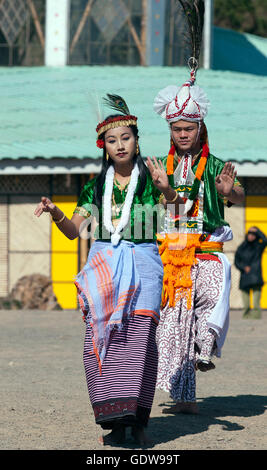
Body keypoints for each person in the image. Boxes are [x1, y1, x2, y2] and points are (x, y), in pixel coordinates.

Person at [34, 94, 180, 447]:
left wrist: (166, 189)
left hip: (144, 263)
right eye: (112, 141)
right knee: (101, 339)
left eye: (126, 138)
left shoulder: (152, 178)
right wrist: (55, 211)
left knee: (141, 340)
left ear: (137, 139)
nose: (120, 145)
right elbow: (73, 231)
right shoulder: (95, 186)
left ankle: (139, 418)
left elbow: (172, 205)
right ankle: (114, 419)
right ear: (105, 146)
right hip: (105, 264)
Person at [151, 61, 245, 414]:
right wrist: (159, 190)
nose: (182, 135)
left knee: (210, 299)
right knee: (175, 324)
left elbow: (236, 193)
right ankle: (186, 398)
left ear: (200, 128)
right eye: (176, 129)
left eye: (188, 128)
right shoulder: (160, 166)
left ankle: (205, 349)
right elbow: (149, 205)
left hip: (207, 251)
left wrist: (228, 191)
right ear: (170, 130)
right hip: (171, 257)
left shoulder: (217, 164)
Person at [234, 226, 267, 319]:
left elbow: (265, 240)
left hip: (255, 275)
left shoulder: (258, 246)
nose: (251, 236)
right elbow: (236, 261)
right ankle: (246, 316)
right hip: (245, 276)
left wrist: (258, 231)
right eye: (250, 234)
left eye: (254, 235)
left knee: (256, 299)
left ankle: (256, 316)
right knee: (246, 299)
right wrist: (243, 267)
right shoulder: (241, 247)